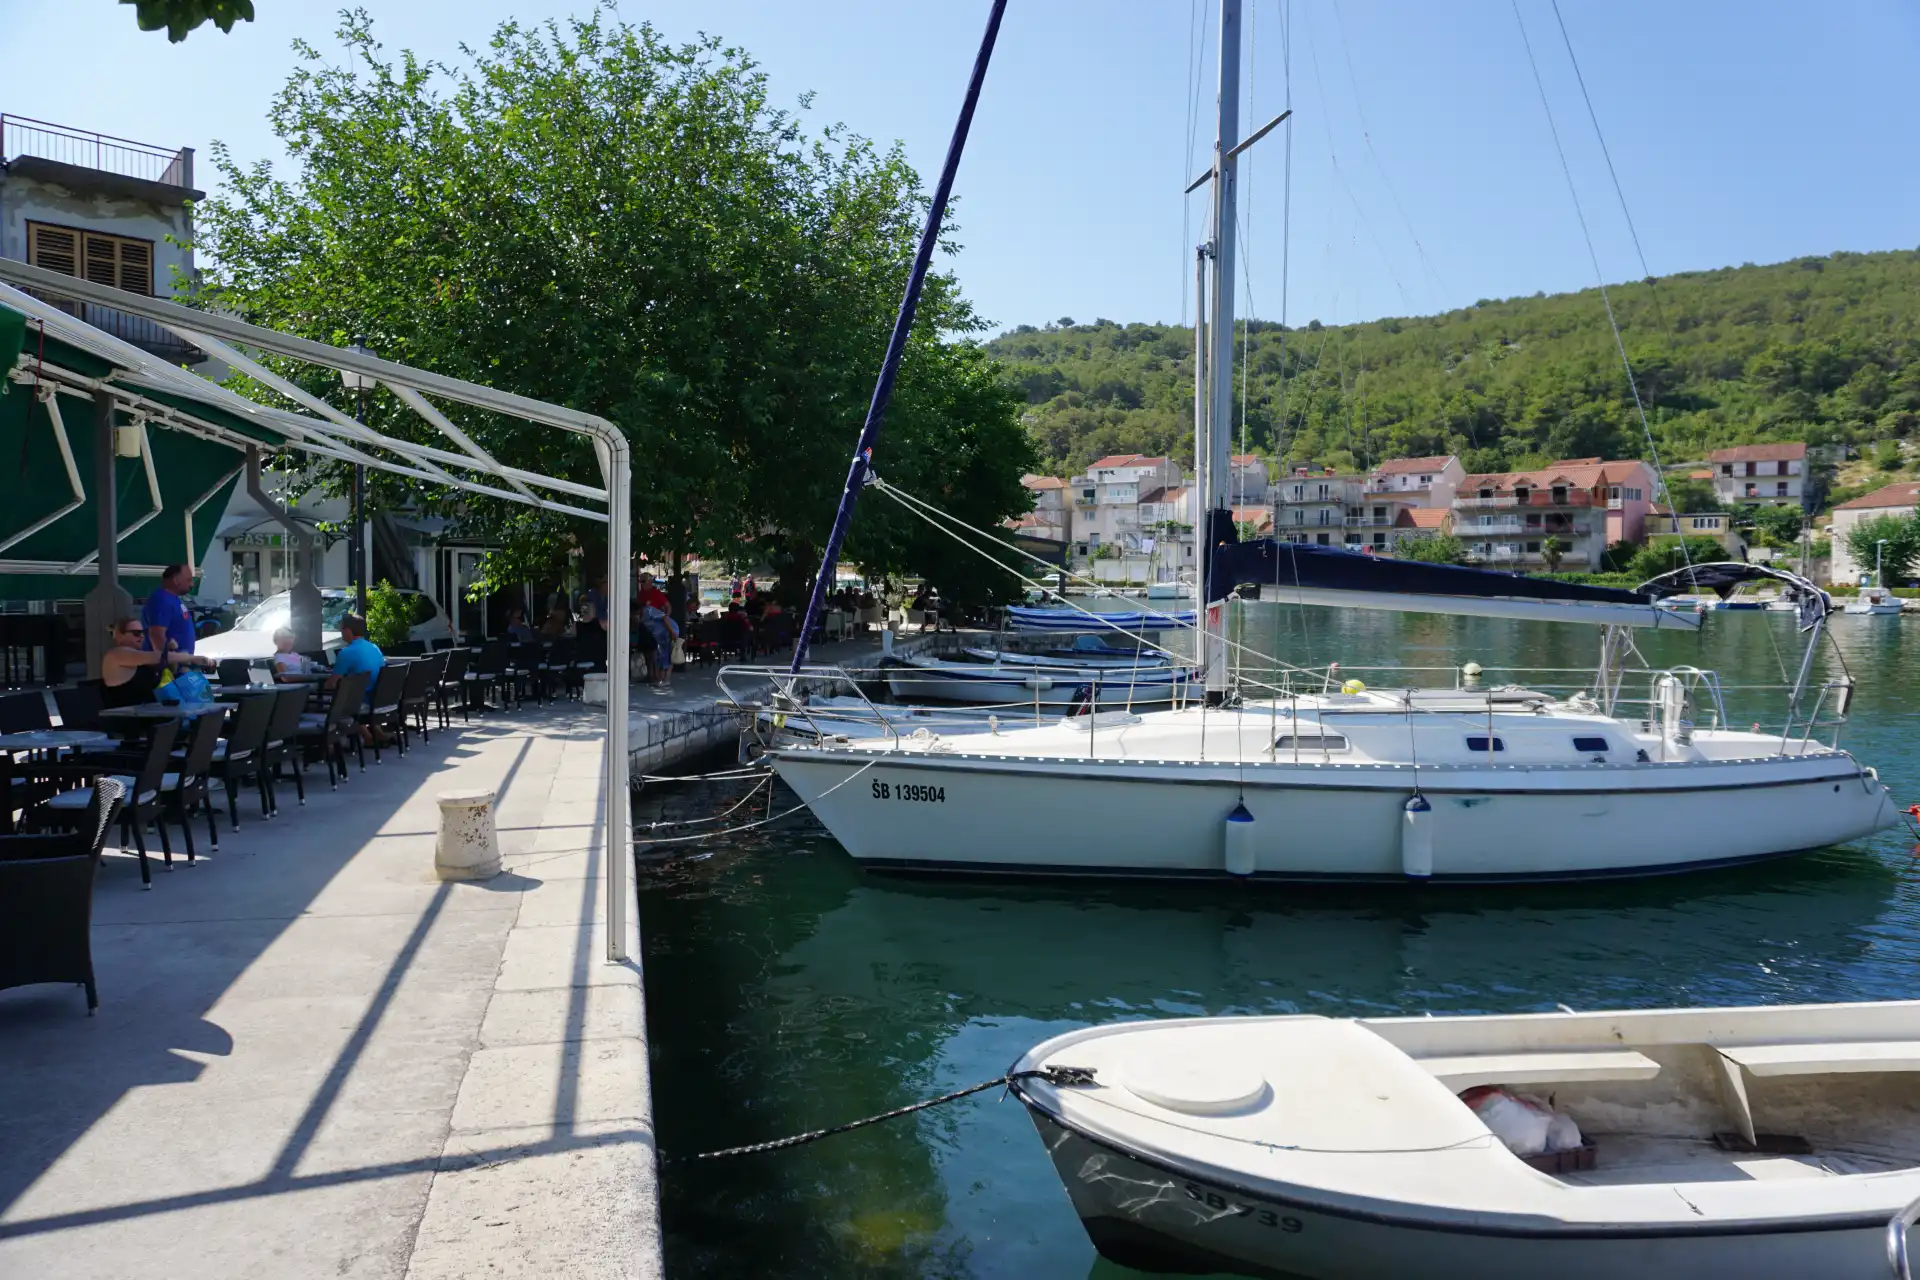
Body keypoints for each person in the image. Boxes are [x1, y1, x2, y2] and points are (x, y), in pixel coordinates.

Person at [101, 616, 213, 707]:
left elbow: (167, 667)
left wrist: (171, 651)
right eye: (136, 633)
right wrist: (191, 658)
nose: (141, 636)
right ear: (120, 636)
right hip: (127, 719)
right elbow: (157, 657)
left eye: (143, 632)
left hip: (148, 714)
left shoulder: (138, 657)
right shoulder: (116, 654)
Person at [142, 563, 198, 658]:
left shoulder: (173, 599)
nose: (192, 584)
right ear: (176, 580)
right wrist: (169, 662)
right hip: (170, 665)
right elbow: (156, 634)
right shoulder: (161, 599)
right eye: (188, 580)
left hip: (180, 662)